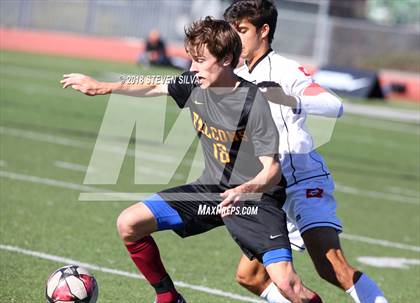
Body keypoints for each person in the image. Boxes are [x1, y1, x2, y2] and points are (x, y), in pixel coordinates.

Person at [61, 17, 320, 303]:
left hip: (256, 200)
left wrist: (242, 190)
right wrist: (102, 87)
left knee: (288, 285)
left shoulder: (252, 102)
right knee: (129, 223)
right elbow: (154, 85)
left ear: (226, 60)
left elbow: (271, 171)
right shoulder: (194, 83)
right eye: (191, 60)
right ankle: (168, 297)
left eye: (200, 60)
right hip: (211, 189)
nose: (192, 68)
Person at [223, 1, 389, 303]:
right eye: (232, 31)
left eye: (243, 30)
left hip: (302, 183)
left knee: (331, 266)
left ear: (264, 31)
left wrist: (287, 98)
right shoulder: (238, 73)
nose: (236, 37)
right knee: (250, 277)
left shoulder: (284, 70)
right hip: (269, 189)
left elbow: (334, 105)